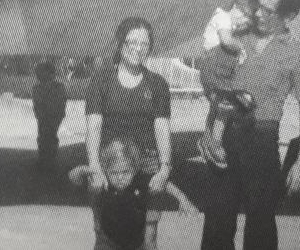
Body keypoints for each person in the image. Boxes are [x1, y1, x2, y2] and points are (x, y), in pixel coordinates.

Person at [200, 0, 300, 250]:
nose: (259, 14)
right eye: (259, 7)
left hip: (261, 142)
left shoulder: (297, 54)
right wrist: (208, 134)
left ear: (289, 15)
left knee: (261, 227)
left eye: (269, 10)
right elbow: (216, 86)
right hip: (225, 137)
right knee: (217, 224)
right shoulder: (237, 37)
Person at [85, 17, 172, 250]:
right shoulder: (101, 80)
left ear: (150, 47)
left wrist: (165, 167)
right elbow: (93, 125)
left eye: (144, 44)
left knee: (148, 238)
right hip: (110, 170)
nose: (138, 48)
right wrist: (94, 165)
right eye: (132, 42)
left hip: (148, 170)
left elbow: (162, 127)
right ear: (120, 43)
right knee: (105, 235)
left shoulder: (158, 84)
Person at [69, 137, 197, 250]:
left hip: (136, 242)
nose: (120, 178)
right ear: (106, 170)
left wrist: (183, 199)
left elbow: (165, 184)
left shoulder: (139, 180)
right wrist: (84, 170)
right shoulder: (104, 182)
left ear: (134, 169)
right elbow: (73, 178)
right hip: (107, 242)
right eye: (114, 173)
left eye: (125, 172)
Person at [197, 0, 259, 168]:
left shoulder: (229, 24)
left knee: (219, 107)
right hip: (213, 70)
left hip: (222, 73)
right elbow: (225, 40)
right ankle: (215, 142)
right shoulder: (223, 17)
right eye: (246, 21)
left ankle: (207, 141)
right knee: (225, 106)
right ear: (239, 9)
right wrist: (241, 49)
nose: (243, 26)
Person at [32, 61, 67, 170]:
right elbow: (36, 104)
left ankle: (48, 160)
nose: (37, 75)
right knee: (45, 136)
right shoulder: (38, 88)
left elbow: (62, 102)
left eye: (40, 73)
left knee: (47, 136)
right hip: (47, 116)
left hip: (52, 116)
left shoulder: (57, 87)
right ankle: (46, 159)